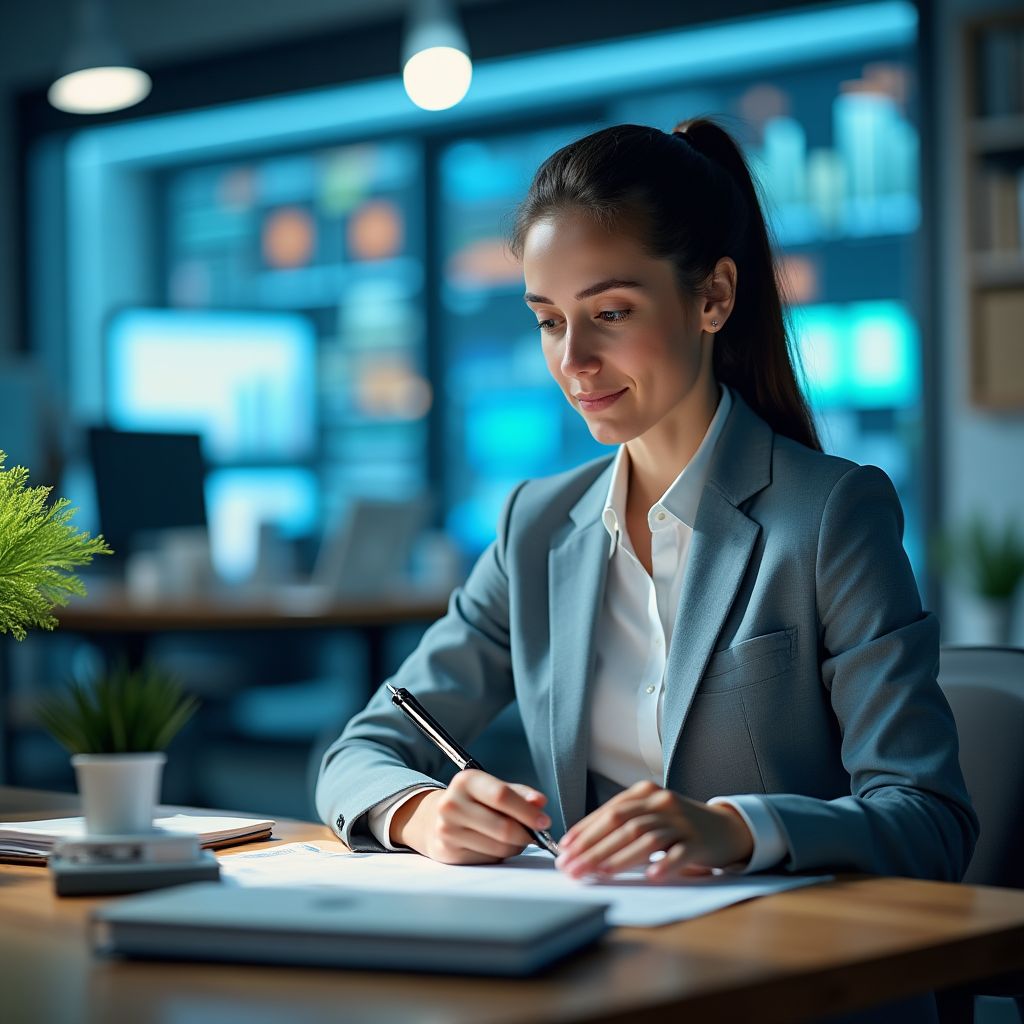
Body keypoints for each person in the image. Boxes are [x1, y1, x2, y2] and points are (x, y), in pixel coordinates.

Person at [315, 117, 977, 890]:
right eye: (549, 321)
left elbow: (930, 819)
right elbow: (358, 753)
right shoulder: (536, 527)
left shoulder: (831, 514)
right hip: (600, 943)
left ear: (713, 297)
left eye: (611, 313)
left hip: (784, 951)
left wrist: (736, 828)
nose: (573, 360)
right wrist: (422, 812)